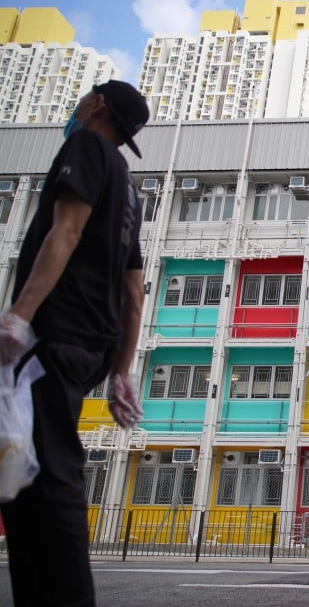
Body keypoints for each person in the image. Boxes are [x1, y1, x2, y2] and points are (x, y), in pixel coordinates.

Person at [0, 80, 148, 606]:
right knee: (27, 471)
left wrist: (19, 316)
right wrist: (121, 371)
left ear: (97, 104)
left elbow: (65, 231)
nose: (78, 106)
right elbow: (135, 290)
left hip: (56, 332)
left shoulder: (86, 146)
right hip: (92, 344)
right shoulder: (128, 187)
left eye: (84, 99)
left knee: (50, 471)